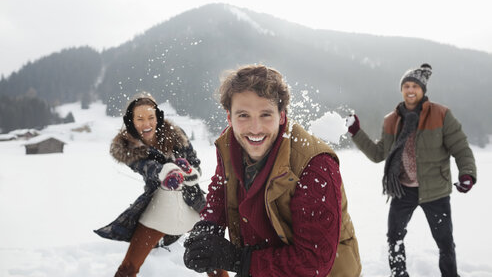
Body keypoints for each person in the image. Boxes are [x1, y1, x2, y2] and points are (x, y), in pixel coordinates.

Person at [183, 65, 361, 277]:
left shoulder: (315, 165)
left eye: (266, 114)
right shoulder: (230, 144)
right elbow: (222, 187)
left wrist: (239, 260)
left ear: (282, 116)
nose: (255, 128)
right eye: (243, 115)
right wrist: (209, 225)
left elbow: (314, 260)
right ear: (229, 118)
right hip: (262, 265)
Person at [346, 63, 477, 277]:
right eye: (406, 85)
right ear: (401, 90)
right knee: (394, 236)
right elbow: (378, 154)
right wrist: (355, 132)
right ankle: (399, 274)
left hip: (436, 190)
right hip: (403, 189)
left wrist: (467, 174)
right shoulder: (391, 120)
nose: (410, 90)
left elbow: (461, 148)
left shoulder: (441, 114)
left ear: (423, 90)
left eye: (414, 86)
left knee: (444, 241)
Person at [94, 93, 206, 277]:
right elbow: (147, 167)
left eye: (151, 117)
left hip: (192, 205)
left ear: (158, 117)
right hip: (158, 209)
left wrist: (189, 172)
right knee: (129, 267)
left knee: (211, 260)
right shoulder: (127, 146)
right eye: (140, 119)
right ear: (131, 121)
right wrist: (167, 171)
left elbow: (195, 165)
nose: (146, 124)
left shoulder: (176, 135)